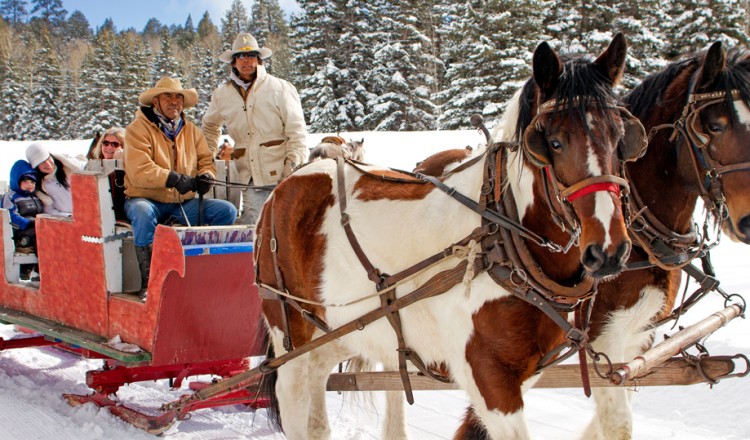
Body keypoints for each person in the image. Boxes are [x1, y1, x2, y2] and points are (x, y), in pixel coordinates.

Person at [124, 76, 238, 300]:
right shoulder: (137, 129)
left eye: (178, 97)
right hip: (146, 199)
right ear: (156, 101)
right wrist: (172, 178)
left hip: (181, 203)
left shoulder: (192, 131)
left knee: (227, 211)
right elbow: (140, 170)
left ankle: (205, 275)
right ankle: (150, 282)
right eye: (168, 96)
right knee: (142, 212)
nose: (174, 101)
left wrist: (207, 175)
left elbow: (206, 160)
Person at [202, 32, 307, 225]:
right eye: (241, 56)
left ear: (259, 59)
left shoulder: (280, 88)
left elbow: (297, 131)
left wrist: (292, 164)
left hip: (283, 173)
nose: (246, 60)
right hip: (249, 176)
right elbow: (209, 126)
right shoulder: (221, 95)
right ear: (233, 62)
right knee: (255, 227)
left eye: (251, 55)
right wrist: (207, 157)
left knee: (287, 227)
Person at [1, 160, 44, 280]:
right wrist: (27, 223)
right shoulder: (11, 196)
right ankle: (39, 271)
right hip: (19, 231)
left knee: (47, 236)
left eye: (32, 182)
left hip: (36, 228)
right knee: (40, 235)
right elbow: (10, 215)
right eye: (25, 181)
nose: (29, 185)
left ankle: (35, 269)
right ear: (17, 180)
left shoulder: (36, 197)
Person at [25, 143, 84, 217]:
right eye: (41, 162)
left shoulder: (70, 167)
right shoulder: (41, 186)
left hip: (91, 212)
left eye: (47, 158)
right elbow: (49, 210)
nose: (47, 163)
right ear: (36, 166)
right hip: (70, 221)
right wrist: (67, 216)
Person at [84, 127, 128, 222]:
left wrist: (120, 164)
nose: (109, 148)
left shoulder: (130, 166)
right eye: (106, 143)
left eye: (114, 144)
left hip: (120, 215)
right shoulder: (92, 166)